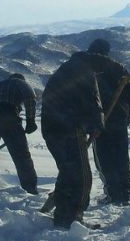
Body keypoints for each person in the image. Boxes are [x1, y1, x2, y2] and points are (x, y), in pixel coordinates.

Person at [39, 43, 105, 228]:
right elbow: (94, 101)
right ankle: (74, 216)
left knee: (68, 170)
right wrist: (97, 125)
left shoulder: (66, 68)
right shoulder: (86, 72)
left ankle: (62, 213)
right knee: (81, 174)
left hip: (50, 128)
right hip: (70, 127)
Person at [84, 39, 130, 205]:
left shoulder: (91, 70)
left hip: (100, 122)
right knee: (121, 157)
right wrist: (127, 117)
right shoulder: (121, 69)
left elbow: (85, 99)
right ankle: (124, 192)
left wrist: (88, 122)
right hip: (119, 119)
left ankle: (113, 194)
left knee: (104, 158)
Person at [0, 73, 39, 194]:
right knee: (21, 155)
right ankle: (30, 189)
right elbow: (30, 98)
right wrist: (31, 121)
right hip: (7, 115)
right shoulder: (21, 83)